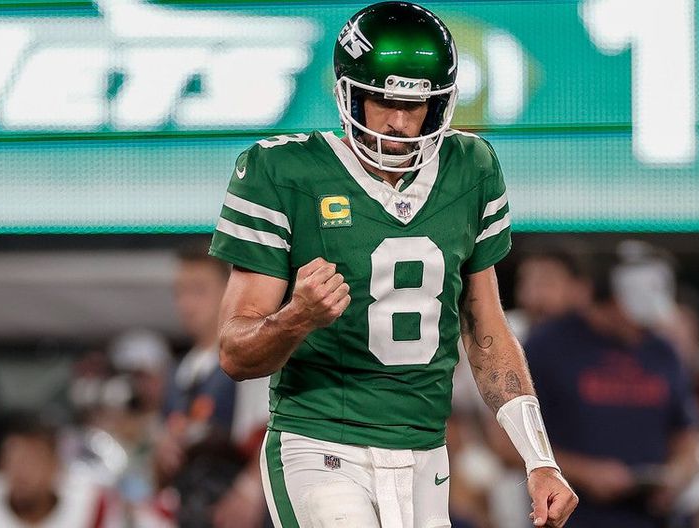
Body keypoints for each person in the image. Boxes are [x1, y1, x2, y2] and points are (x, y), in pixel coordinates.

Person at [208, 3, 578, 527]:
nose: (401, 122)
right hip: (321, 444)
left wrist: (539, 458)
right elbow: (234, 353)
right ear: (350, 93)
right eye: (384, 100)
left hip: (426, 454)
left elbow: (486, 328)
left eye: (417, 103)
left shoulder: (471, 168)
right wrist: (296, 317)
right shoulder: (282, 170)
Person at [525, 247, 699, 528]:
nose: (642, 329)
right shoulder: (546, 347)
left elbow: (687, 435)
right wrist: (585, 473)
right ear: (607, 300)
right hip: (573, 519)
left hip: (650, 519)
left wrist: (677, 477)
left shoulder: (662, 351)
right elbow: (505, 443)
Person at [154, 243, 270, 528]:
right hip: (193, 507)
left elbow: (270, 431)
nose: (186, 304)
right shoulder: (178, 371)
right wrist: (162, 454)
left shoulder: (250, 358)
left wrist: (251, 489)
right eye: (180, 292)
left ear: (229, 291)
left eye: (198, 290)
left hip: (236, 506)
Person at [0, 420, 121, 527]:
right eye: (12, 461)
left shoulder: (93, 506)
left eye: (31, 462)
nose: (21, 472)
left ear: (55, 467)